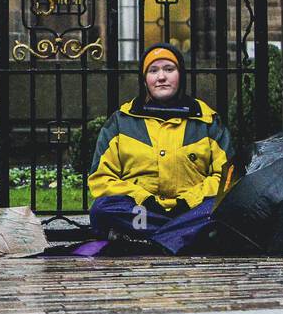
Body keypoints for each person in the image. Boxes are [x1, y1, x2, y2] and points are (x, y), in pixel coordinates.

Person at [80, 43, 231, 255]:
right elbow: (101, 178)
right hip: (143, 212)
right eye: (153, 71)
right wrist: (146, 200)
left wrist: (188, 201)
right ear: (145, 79)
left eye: (169, 69)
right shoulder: (121, 121)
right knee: (102, 210)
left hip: (191, 210)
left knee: (222, 209)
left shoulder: (207, 121)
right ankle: (182, 238)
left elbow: (226, 177)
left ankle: (146, 240)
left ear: (181, 75)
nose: (161, 77)